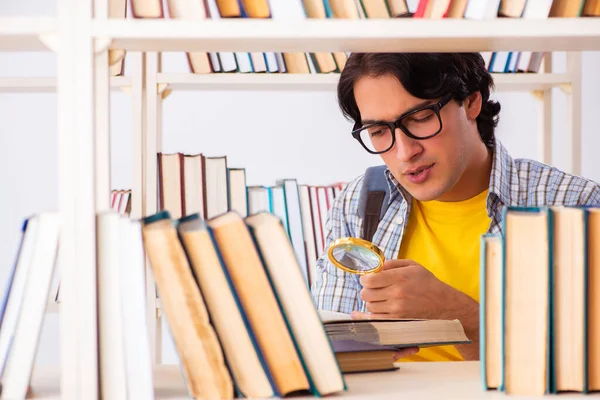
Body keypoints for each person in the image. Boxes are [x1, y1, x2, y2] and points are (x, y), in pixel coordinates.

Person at [311, 52, 600, 362]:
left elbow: (581, 365)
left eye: (420, 118)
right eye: (379, 132)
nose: (405, 151)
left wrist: (458, 314)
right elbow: (332, 357)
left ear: (472, 102)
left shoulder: (574, 206)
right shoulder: (358, 202)